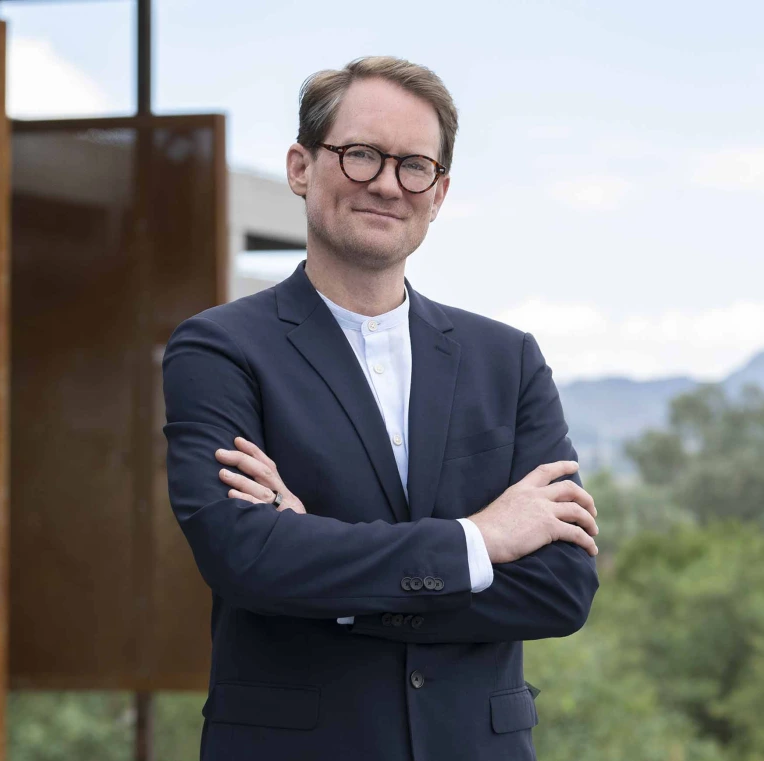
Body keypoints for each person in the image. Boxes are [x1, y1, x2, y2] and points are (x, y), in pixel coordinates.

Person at [161, 56, 600, 761]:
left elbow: (560, 588)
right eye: (361, 154)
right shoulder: (219, 350)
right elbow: (245, 556)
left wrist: (328, 575)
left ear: (440, 190)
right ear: (301, 167)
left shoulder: (508, 360)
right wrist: (480, 539)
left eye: (414, 165)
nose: (388, 184)